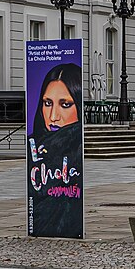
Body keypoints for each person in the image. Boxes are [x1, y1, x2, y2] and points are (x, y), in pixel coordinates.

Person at [27, 61, 84, 238]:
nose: (53, 116)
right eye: (47, 103)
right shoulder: (33, 147)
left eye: (65, 104)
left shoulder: (77, 151)